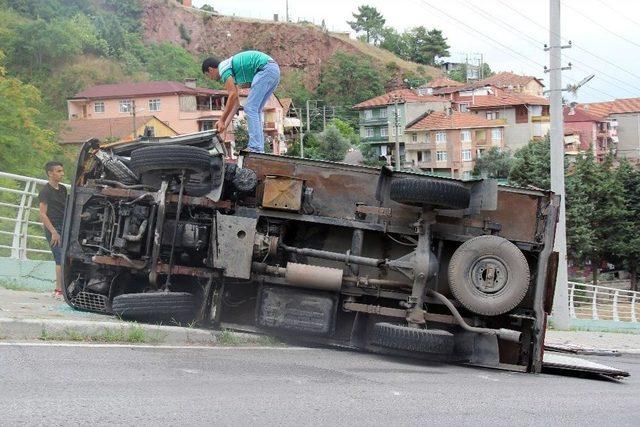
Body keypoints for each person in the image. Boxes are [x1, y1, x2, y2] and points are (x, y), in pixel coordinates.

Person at [202, 50, 280, 153]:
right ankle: (258, 148)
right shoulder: (231, 71)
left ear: (211, 69)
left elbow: (232, 95)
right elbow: (236, 104)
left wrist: (221, 120)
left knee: (250, 107)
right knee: (255, 110)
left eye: (208, 75)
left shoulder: (223, 69)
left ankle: (255, 148)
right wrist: (225, 124)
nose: (211, 79)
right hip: (273, 70)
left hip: (265, 69)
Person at [38, 161, 67, 299]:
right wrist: (54, 232)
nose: (62, 174)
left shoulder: (63, 189)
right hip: (53, 228)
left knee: (66, 257)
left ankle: (65, 289)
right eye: (59, 171)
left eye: (62, 171)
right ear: (50, 173)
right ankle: (58, 290)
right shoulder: (45, 191)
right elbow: (42, 214)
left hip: (64, 226)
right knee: (59, 257)